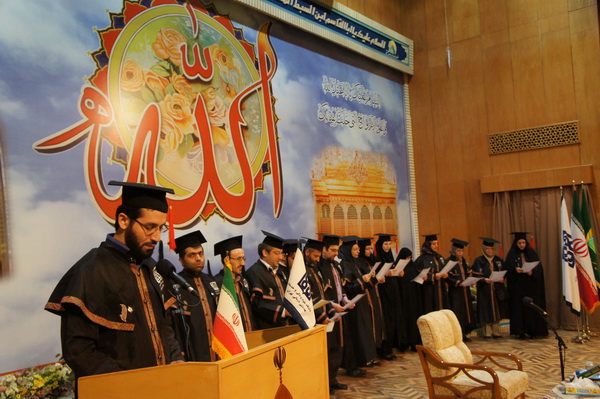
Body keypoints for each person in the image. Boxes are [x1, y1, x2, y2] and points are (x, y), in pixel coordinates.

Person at [44, 181, 184, 380]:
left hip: (162, 386)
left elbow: (165, 327)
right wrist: (126, 386)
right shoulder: (91, 269)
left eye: (161, 228)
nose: (156, 237)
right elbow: (79, 350)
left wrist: (175, 359)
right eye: (150, 227)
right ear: (124, 220)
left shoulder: (152, 267)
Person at [168, 230, 220, 362]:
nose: (198, 258)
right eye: (192, 255)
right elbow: (171, 326)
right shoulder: (175, 285)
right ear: (181, 260)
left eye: (201, 254)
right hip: (192, 355)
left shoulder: (212, 282)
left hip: (219, 353)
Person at [339, 236, 378, 374]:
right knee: (353, 335)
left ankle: (361, 361)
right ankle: (351, 366)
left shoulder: (354, 263)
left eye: (358, 249)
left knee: (362, 333)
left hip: (360, 302)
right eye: (355, 249)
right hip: (352, 304)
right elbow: (347, 287)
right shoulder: (345, 264)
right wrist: (363, 280)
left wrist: (371, 279)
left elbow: (362, 283)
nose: (357, 251)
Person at [317, 234, 348, 392]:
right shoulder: (319, 266)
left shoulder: (336, 265)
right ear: (324, 249)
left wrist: (345, 298)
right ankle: (326, 381)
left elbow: (339, 285)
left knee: (338, 346)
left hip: (339, 311)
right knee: (329, 348)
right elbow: (321, 291)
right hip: (326, 313)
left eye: (338, 250)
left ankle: (333, 378)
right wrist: (332, 305)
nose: (336, 253)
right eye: (333, 250)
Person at [505, 232, 548, 339]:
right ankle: (521, 331)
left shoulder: (531, 254)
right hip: (518, 288)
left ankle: (533, 330)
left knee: (531, 308)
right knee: (519, 309)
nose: (522, 245)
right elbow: (507, 269)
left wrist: (531, 273)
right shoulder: (511, 255)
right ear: (516, 244)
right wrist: (515, 270)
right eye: (519, 243)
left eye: (523, 243)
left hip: (531, 288)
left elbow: (539, 269)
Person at [245, 231, 291, 329]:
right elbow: (257, 304)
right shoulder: (254, 272)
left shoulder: (280, 272)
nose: (280, 257)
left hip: (286, 326)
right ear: (265, 252)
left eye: (281, 254)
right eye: (276, 253)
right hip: (267, 329)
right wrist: (283, 311)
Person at [214, 235, 257, 332]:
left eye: (243, 259)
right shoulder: (218, 284)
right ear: (226, 260)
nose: (243, 263)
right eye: (238, 259)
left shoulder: (244, 281)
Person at [373, 233, 403, 360]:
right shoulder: (377, 259)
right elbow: (377, 277)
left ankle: (391, 347)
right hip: (383, 294)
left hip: (392, 292)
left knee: (393, 319)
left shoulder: (390, 257)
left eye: (389, 244)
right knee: (386, 320)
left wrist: (398, 272)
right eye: (385, 244)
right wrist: (386, 274)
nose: (387, 246)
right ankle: (384, 349)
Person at [471, 237, 509, 339]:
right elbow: (476, 276)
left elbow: (504, 272)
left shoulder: (498, 260)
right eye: (487, 249)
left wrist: (502, 278)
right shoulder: (479, 261)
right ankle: (487, 332)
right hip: (485, 290)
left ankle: (496, 332)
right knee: (486, 311)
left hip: (497, 289)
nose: (489, 251)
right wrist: (484, 280)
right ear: (483, 249)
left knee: (497, 311)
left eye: (491, 249)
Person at [445, 238, 476, 342]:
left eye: (462, 251)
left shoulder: (464, 262)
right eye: (458, 250)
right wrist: (456, 283)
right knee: (458, 312)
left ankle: (465, 333)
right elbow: (447, 277)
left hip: (465, 291)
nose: (461, 253)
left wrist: (471, 280)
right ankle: (458, 334)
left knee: (466, 312)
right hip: (455, 292)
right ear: (453, 250)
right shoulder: (449, 262)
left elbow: (467, 273)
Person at [414, 234, 449, 314]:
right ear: (428, 245)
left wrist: (446, 275)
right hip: (429, 290)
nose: (436, 246)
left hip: (441, 288)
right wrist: (433, 276)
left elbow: (445, 268)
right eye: (433, 244)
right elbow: (417, 275)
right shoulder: (421, 259)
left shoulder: (439, 257)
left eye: (437, 243)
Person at [397, 247, 423, 351]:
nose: (409, 259)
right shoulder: (399, 268)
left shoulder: (413, 267)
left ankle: (415, 341)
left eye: (410, 257)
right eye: (407, 257)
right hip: (405, 300)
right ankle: (406, 342)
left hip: (414, 299)